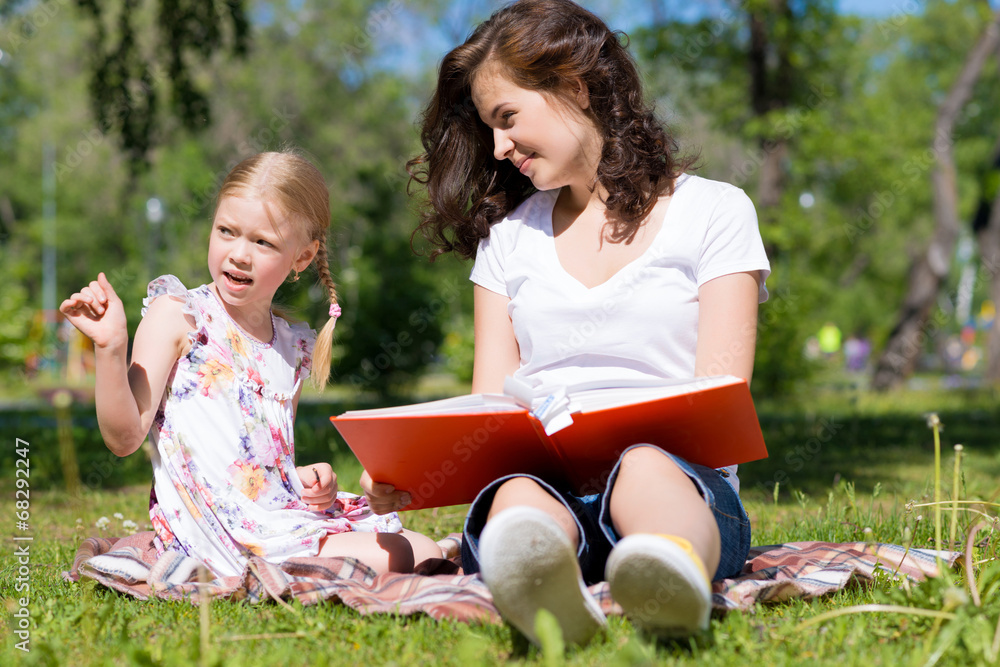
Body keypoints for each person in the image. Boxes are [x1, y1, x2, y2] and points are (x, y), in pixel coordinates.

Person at [363, 0, 771, 646]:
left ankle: (671, 572)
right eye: (489, 128)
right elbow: (491, 407)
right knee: (520, 495)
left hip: (680, 480)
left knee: (643, 468)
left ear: (574, 86)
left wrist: (623, 442)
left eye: (507, 117)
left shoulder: (716, 212)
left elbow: (719, 404)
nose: (498, 147)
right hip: (550, 484)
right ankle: (541, 590)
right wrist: (409, 468)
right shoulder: (507, 241)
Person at [60, 151, 441, 579]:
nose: (239, 253)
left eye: (263, 242)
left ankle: (334, 556)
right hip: (217, 529)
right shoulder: (180, 314)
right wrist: (111, 347)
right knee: (398, 555)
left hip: (270, 514)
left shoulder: (292, 346)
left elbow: (265, 467)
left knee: (421, 547)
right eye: (226, 231)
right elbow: (124, 437)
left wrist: (307, 482)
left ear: (301, 257)